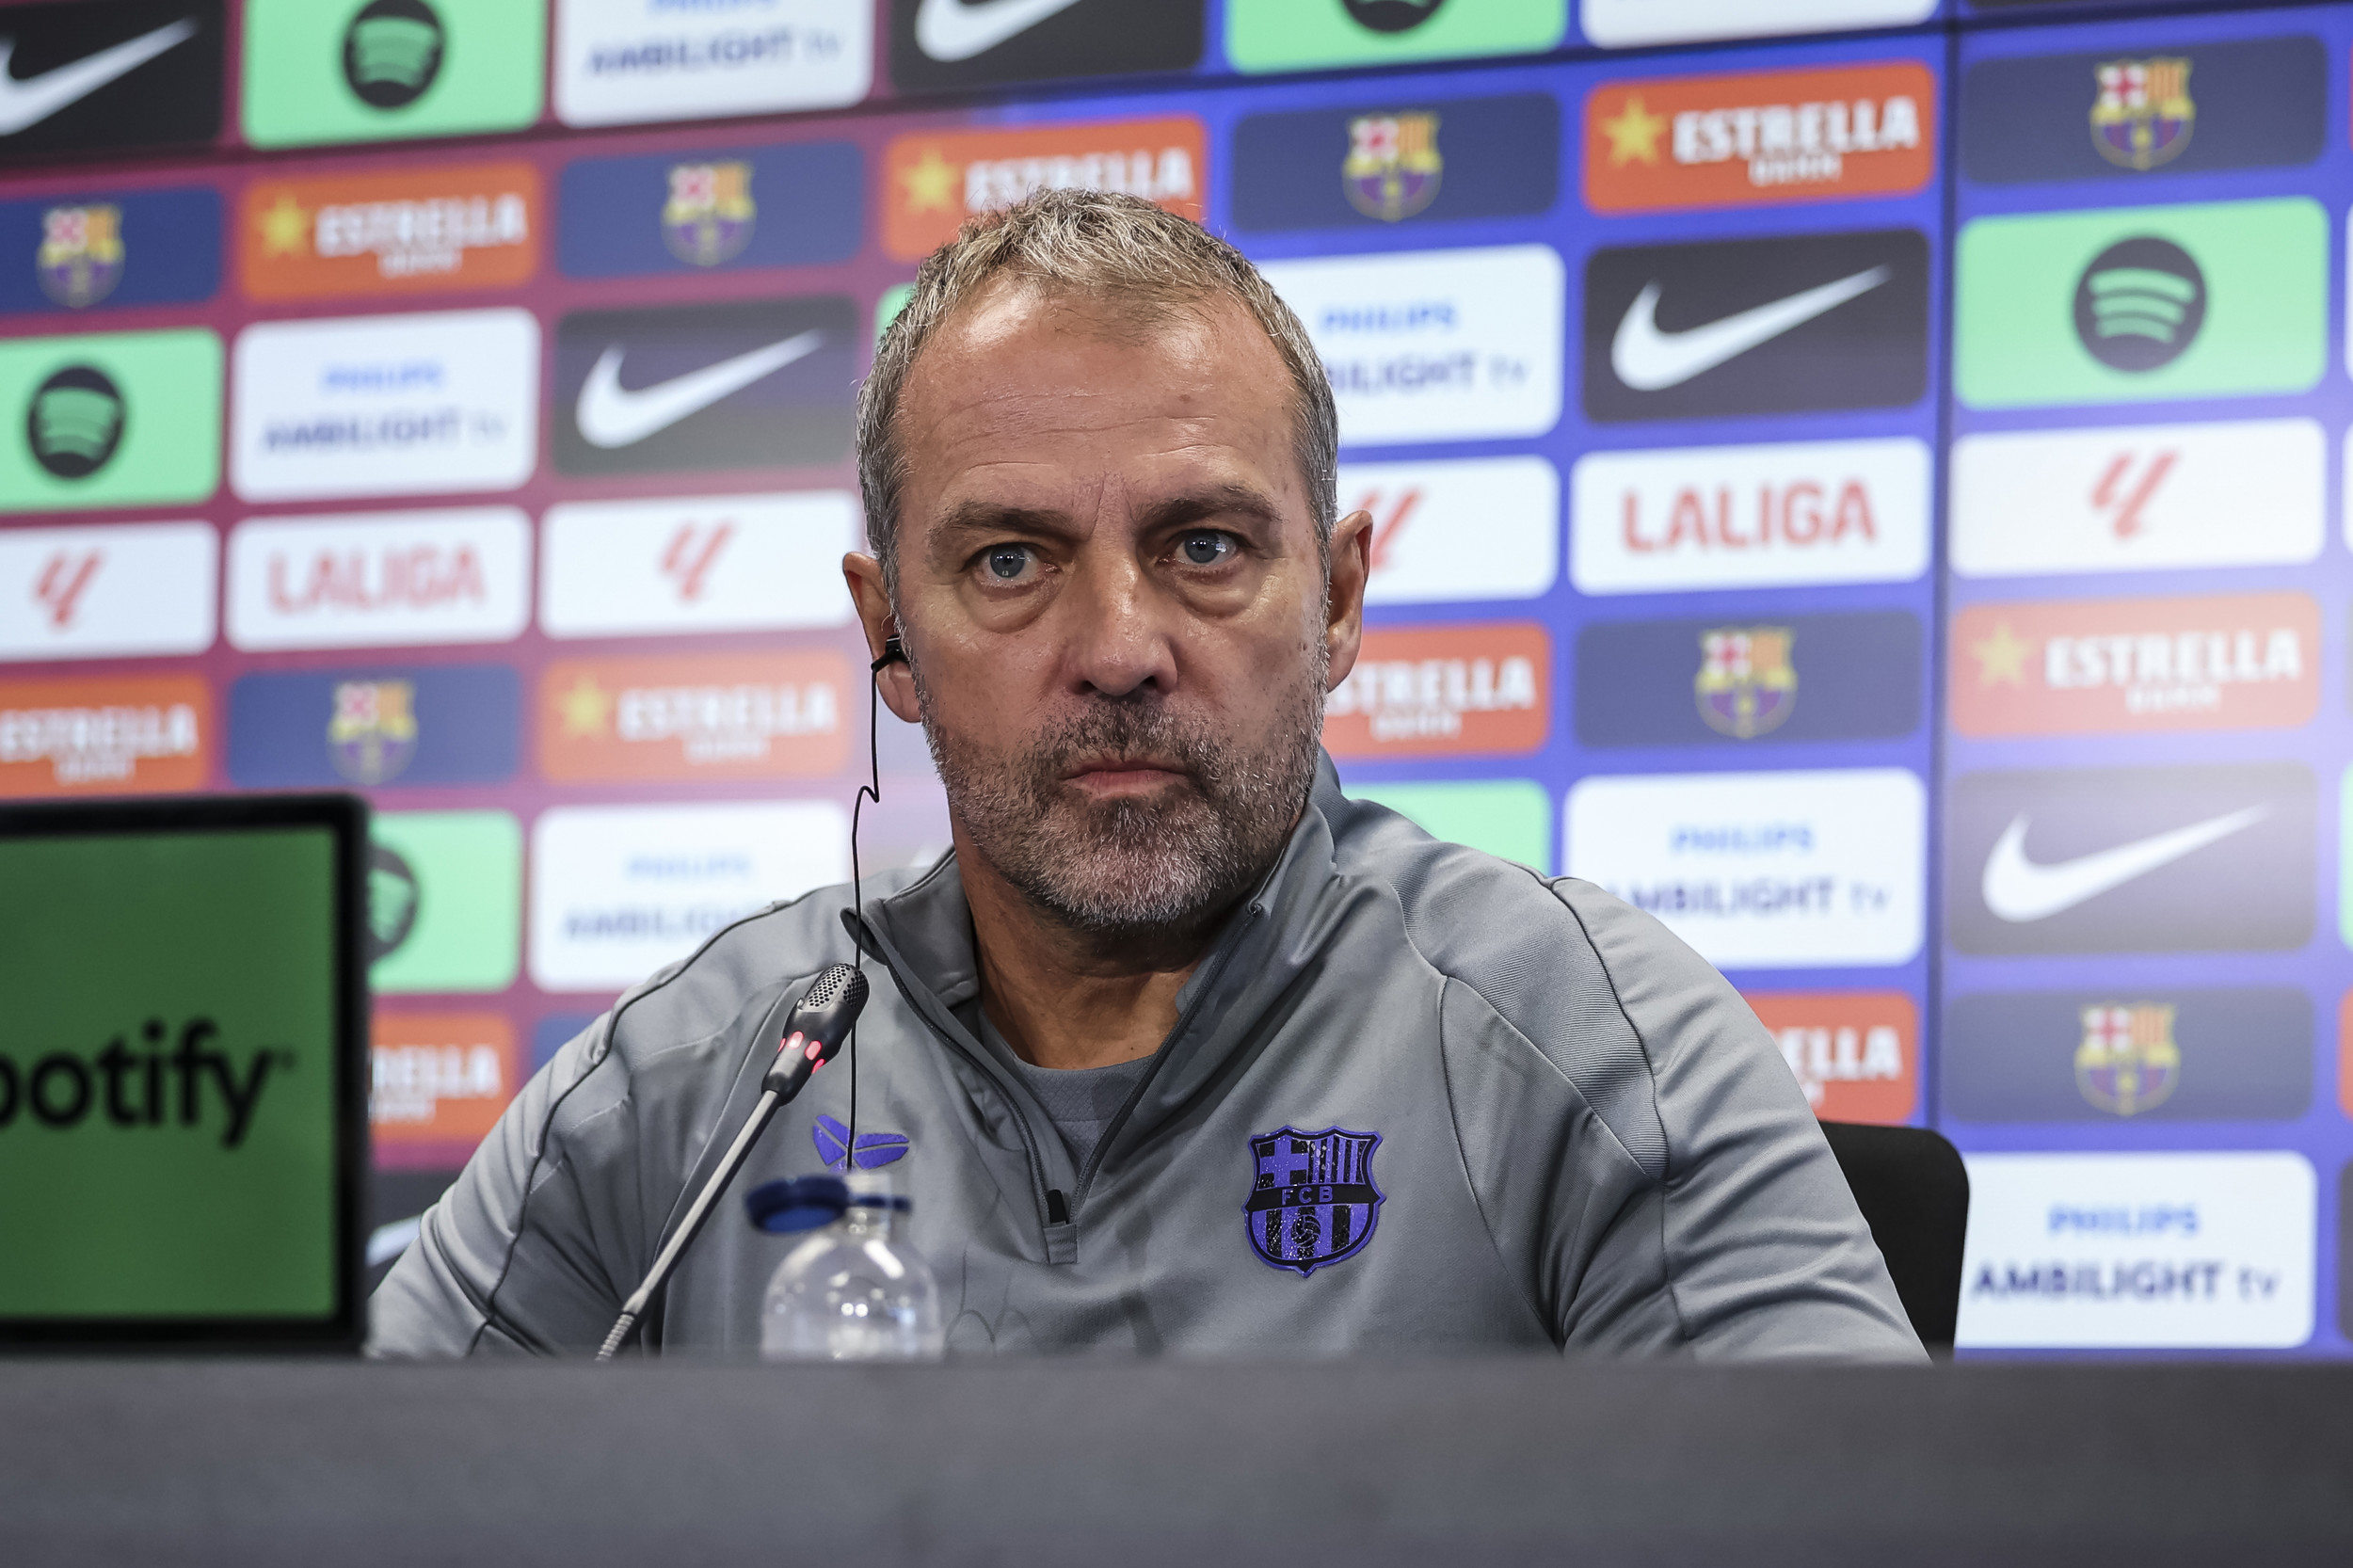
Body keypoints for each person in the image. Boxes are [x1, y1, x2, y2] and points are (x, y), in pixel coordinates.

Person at [370, 189, 1922, 1360]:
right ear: (888, 633)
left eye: (1205, 546)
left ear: (1337, 600)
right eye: (1010, 560)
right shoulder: (684, 1089)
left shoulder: (1583, 1042)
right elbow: (327, 1490)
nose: (1119, 648)